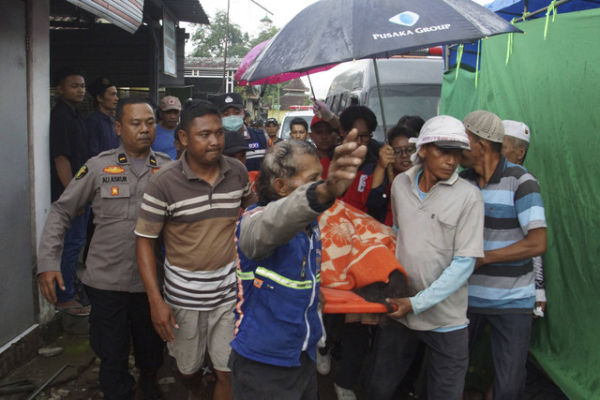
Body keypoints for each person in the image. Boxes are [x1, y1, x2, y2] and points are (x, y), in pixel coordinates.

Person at [38, 98, 169, 399]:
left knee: (152, 352)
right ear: (118, 128)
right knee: (111, 354)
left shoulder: (167, 168)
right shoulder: (98, 167)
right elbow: (61, 212)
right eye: (135, 123)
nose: (144, 129)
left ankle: (149, 383)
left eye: (149, 122)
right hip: (106, 281)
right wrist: (48, 261)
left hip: (151, 284)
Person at [229, 130, 367, 400]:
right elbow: (274, 223)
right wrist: (324, 191)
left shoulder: (309, 223)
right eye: (312, 180)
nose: (321, 185)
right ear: (281, 186)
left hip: (302, 355)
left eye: (321, 178)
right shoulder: (254, 222)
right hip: (265, 364)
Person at [135, 101, 256, 400]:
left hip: (229, 293)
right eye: (204, 134)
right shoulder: (163, 183)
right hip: (183, 299)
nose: (214, 141)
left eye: (218, 133)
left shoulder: (238, 172)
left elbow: (252, 214)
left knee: (227, 369)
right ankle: (195, 390)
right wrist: (155, 302)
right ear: (184, 138)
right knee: (187, 369)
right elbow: (144, 242)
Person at [365, 115, 485, 400]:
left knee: (445, 393)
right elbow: (398, 236)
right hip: (400, 308)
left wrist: (416, 303)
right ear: (424, 150)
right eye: (444, 151)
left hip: (447, 319)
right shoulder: (400, 186)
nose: (452, 160)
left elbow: (464, 264)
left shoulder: (470, 198)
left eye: (457, 153)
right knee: (379, 388)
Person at [460, 110, 547, 400]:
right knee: (449, 373)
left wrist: (486, 257)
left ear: (480, 144)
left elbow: (537, 243)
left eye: (464, 141)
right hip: (464, 297)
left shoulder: (521, 182)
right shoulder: (462, 181)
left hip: (511, 301)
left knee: (509, 385)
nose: (457, 149)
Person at [49, 66, 90, 316]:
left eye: (82, 86)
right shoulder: (61, 117)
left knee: (77, 243)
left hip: (81, 192)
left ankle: (71, 290)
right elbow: (61, 158)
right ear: (60, 89)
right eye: (74, 85)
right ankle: (64, 297)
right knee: (71, 245)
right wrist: (73, 196)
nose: (80, 90)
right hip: (71, 195)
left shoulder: (75, 115)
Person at [501, 120, 546, 315]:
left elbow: (534, 243)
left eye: (501, 147)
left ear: (520, 153)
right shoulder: (476, 181)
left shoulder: (525, 184)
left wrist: (538, 289)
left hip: (514, 290)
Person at [366, 124, 418, 225]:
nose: (404, 155)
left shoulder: (427, 176)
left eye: (410, 149)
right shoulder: (385, 175)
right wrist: (381, 166)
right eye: (397, 151)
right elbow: (373, 202)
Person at [338, 105, 380, 211]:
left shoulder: (378, 164)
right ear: (342, 132)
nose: (359, 142)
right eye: (354, 135)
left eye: (365, 136)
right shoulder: (330, 160)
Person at [212, 92, 267, 171]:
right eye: (226, 114)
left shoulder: (262, 137)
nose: (232, 117)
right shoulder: (214, 141)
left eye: (236, 112)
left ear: (243, 113)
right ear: (218, 116)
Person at [86, 76, 120, 157]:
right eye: (112, 95)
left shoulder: (113, 120)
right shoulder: (92, 122)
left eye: (116, 94)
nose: (116, 98)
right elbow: (93, 153)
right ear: (100, 98)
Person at [151, 95, 181, 159]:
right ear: (161, 113)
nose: (172, 117)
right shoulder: (151, 132)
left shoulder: (184, 132)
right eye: (168, 112)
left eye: (175, 113)